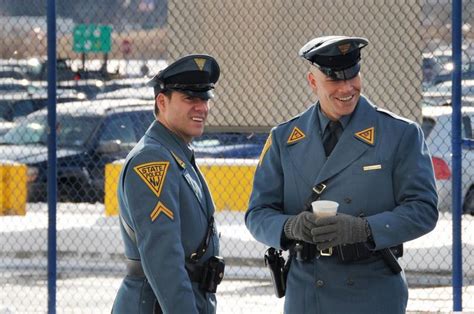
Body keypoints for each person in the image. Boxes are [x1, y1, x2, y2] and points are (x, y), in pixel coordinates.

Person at [245, 36, 438, 313]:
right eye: (334, 80)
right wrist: (290, 227)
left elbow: (423, 210)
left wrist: (364, 229)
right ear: (313, 83)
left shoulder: (400, 134)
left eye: (353, 76)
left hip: (372, 293)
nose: (347, 88)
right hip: (307, 295)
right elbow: (258, 213)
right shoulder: (284, 139)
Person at [112, 54, 224, 314]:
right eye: (190, 99)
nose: (202, 107)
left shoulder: (174, 153)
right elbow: (164, 260)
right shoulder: (152, 160)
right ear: (162, 101)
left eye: (205, 99)